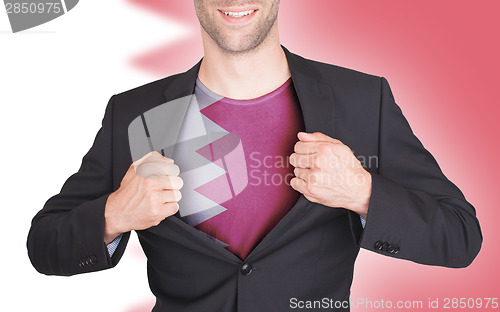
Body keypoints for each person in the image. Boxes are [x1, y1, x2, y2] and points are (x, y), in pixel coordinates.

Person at [27, 0, 482, 311]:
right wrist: (114, 214)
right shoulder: (135, 113)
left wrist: (363, 192)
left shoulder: (362, 100)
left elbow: (460, 236)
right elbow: (45, 246)